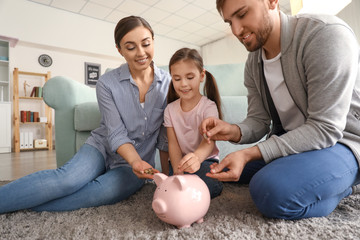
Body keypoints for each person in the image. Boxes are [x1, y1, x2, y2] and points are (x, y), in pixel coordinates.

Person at [201, 0, 360, 220]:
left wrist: (249, 153)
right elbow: (258, 120)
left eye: (243, 14)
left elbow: (325, 128)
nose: (236, 31)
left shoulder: (325, 35)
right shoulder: (254, 62)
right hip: (295, 139)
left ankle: (347, 186)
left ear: (272, 2)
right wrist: (233, 130)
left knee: (270, 191)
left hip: (343, 141)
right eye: (230, 22)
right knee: (220, 172)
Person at [0, 16, 171, 213]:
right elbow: (115, 132)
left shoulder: (169, 84)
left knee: (94, 195)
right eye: (131, 47)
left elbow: (166, 135)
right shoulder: (107, 83)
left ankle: (22, 205)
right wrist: (135, 160)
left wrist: (165, 176)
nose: (141, 53)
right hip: (102, 148)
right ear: (120, 50)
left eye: (146, 44)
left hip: (135, 167)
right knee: (67, 180)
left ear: (153, 41)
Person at [163, 48, 223, 198]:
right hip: (180, 163)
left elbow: (208, 141)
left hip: (204, 160)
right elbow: (173, 144)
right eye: (177, 79)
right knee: (172, 186)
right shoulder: (170, 110)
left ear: (202, 75)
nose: (183, 84)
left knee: (207, 182)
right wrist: (178, 171)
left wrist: (196, 158)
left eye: (190, 77)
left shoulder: (209, 107)